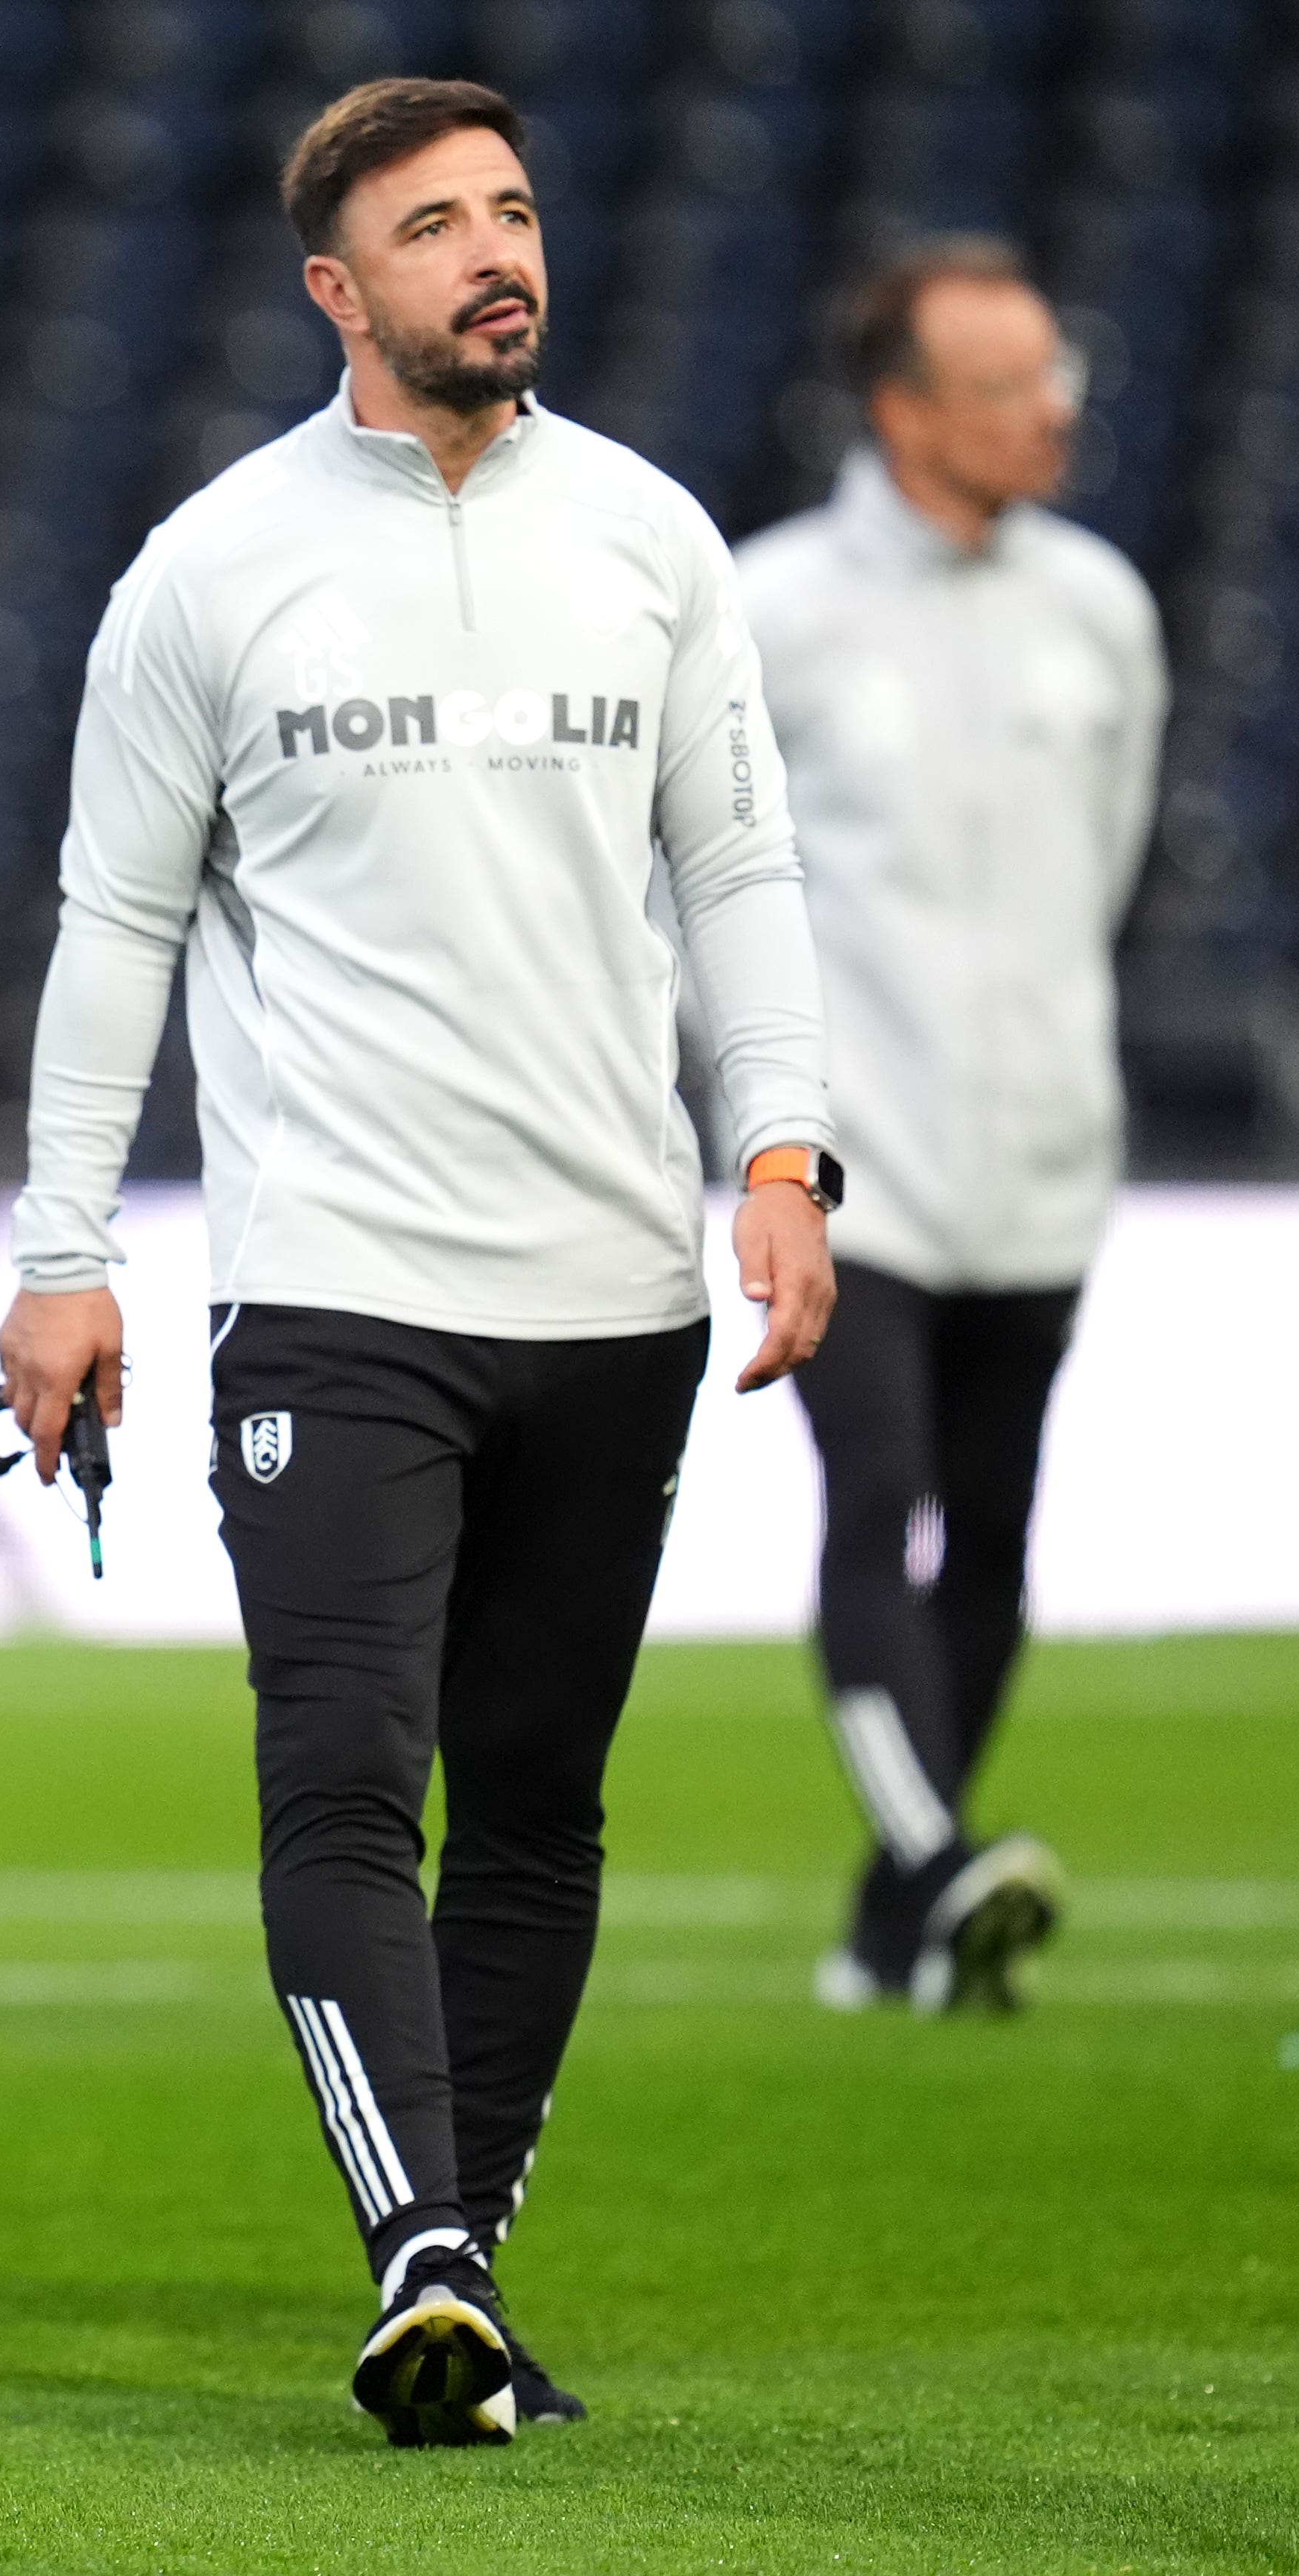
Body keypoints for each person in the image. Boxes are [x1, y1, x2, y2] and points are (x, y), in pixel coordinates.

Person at [0, 80, 838, 2447]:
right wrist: (66, 1255)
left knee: (539, 1800)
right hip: (334, 1282)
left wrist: (782, 1147)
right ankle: (424, 2252)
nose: (497, 253)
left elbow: (739, 874)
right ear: (333, 293)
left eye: (517, 211)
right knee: (345, 1776)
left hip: (614, 1289)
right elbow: (113, 933)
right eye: (433, 225)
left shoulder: (656, 541)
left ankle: (462, 2258)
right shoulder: (210, 568)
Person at [736, 239, 1165, 2018]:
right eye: (1004, 389)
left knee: (993, 1535)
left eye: (1052, 378)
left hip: (1046, 1158)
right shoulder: (773, 605)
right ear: (902, 409)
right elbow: (708, 876)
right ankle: (931, 1860)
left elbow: (1113, 858)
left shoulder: (1100, 608)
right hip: (858, 1161)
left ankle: (889, 1923)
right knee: (876, 1497)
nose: (1048, 416)